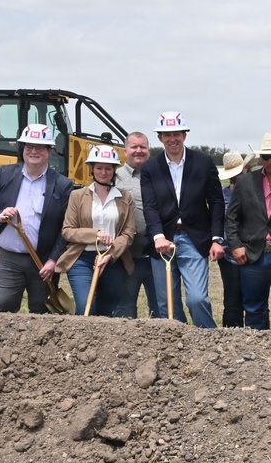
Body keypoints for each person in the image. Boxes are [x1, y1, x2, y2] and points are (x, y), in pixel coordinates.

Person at [0, 124, 74, 313]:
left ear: (49, 151)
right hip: (8, 258)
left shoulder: (62, 184)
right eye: (29, 147)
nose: (33, 151)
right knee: (3, 306)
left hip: (42, 262)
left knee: (42, 312)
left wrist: (54, 260)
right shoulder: (5, 174)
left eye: (39, 147)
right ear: (23, 150)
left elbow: (66, 227)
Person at [140, 111, 225, 327]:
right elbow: (150, 206)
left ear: (185, 135)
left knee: (197, 299)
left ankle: (208, 340)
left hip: (194, 238)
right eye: (166, 135)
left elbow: (216, 202)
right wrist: (158, 236)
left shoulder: (203, 162)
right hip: (164, 241)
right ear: (159, 138)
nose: (172, 139)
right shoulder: (150, 168)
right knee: (167, 304)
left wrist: (216, 238)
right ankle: (178, 349)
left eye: (176, 133)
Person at [226, 134, 271, 330]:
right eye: (266, 157)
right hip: (252, 256)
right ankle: (257, 355)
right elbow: (231, 218)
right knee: (253, 309)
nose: (270, 161)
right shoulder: (246, 182)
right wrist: (235, 246)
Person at [56, 146, 136, 316]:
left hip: (112, 261)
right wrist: (96, 235)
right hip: (82, 259)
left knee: (106, 310)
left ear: (115, 170)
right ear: (92, 169)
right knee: (86, 306)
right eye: (99, 167)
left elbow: (128, 233)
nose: (103, 172)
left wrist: (111, 254)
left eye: (108, 168)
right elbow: (68, 231)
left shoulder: (125, 197)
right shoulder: (77, 196)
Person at [113, 132, 160, 318]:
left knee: (161, 309)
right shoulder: (114, 177)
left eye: (143, 147)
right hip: (127, 256)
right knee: (124, 310)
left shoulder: (159, 175)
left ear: (149, 150)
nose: (138, 151)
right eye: (134, 147)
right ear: (125, 151)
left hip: (157, 255)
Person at [216, 150, 250, 327]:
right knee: (232, 303)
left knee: (254, 302)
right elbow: (218, 224)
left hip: (253, 255)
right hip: (229, 257)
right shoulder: (222, 196)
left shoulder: (255, 193)